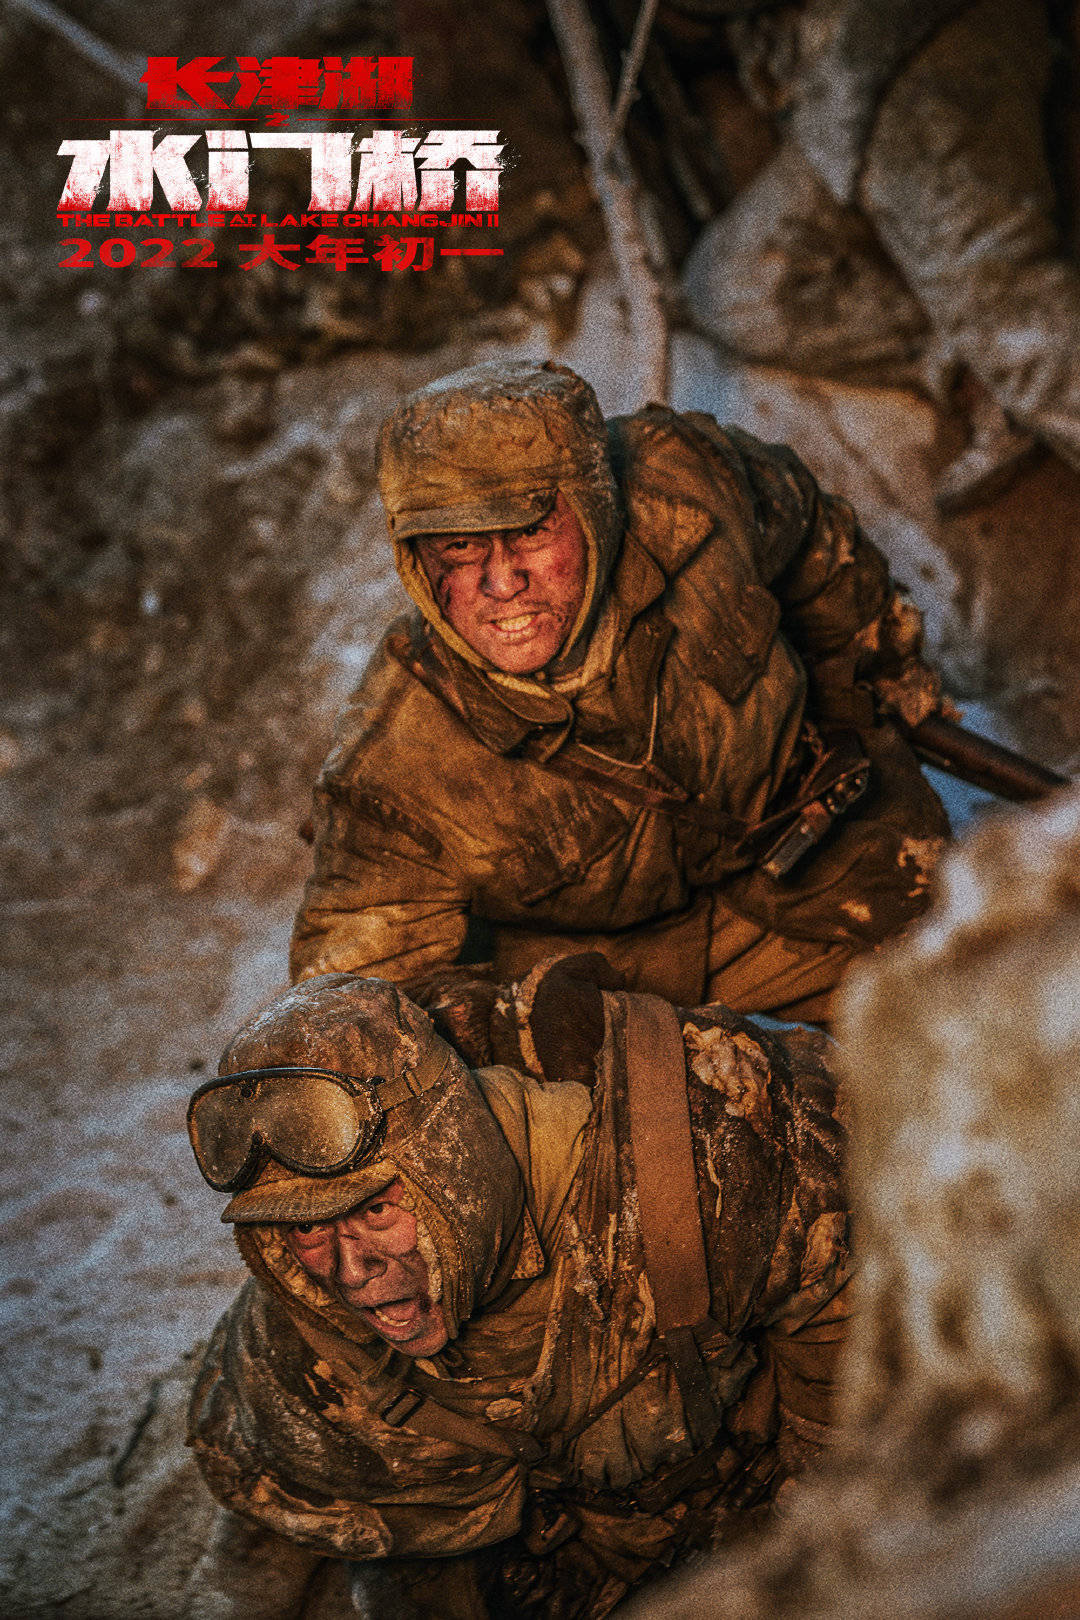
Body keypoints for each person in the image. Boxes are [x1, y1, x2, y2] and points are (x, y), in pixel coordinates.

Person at [186, 963, 852, 1619]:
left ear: (450, 1162)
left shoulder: (705, 1160)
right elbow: (271, 1472)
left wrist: (817, 1506)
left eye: (377, 1212)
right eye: (307, 1230)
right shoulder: (293, 1330)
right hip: (569, 1543)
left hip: (755, 1486)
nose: (351, 1269)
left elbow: (849, 1300)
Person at [290, 359, 949, 1022]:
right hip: (616, 986)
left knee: (992, 998)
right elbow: (352, 1018)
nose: (501, 582)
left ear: (594, 510)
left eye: (529, 530)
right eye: (458, 547)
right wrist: (509, 1026)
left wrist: (857, 689)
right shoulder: (394, 771)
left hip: (827, 844)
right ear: (416, 561)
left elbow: (811, 535)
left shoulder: (687, 488)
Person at [677, 0, 1080, 510]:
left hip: (900, 38)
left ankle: (999, 351)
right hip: (831, 101)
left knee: (1010, 317)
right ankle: (975, 367)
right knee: (733, 286)